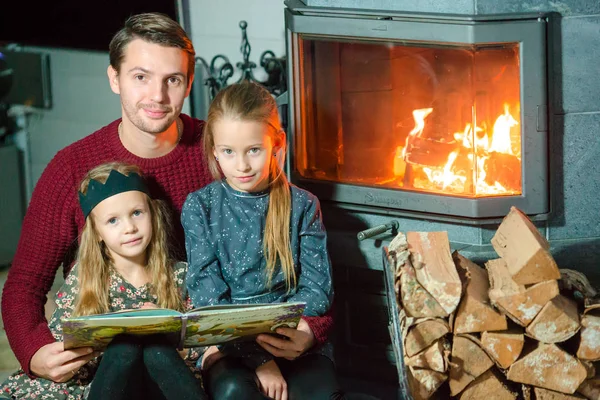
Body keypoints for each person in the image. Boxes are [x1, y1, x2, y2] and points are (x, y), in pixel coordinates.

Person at [1, 12, 333, 384]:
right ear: (115, 79)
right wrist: (35, 351)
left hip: (205, 352)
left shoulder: (226, 152)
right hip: (113, 359)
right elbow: (24, 284)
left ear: (189, 83)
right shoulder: (70, 168)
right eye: (140, 77)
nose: (157, 96)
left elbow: (295, 251)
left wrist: (310, 329)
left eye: (172, 80)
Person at [182, 81, 344, 400]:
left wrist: (301, 333)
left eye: (253, 150)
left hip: (291, 334)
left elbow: (318, 290)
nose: (242, 165)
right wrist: (260, 359)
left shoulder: (303, 205)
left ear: (276, 143)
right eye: (228, 152)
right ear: (214, 149)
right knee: (235, 393)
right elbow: (209, 300)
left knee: (321, 393)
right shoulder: (200, 207)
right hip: (229, 344)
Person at [1, 162, 208, 400]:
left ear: (152, 213)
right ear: (97, 232)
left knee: (156, 349)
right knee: (124, 349)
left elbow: (201, 348)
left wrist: (168, 328)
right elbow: (63, 347)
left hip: (162, 379)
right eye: (113, 221)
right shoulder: (85, 278)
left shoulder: (181, 275)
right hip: (108, 383)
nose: (129, 227)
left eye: (137, 213)